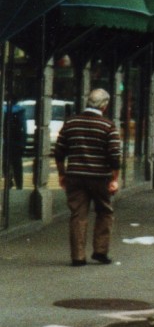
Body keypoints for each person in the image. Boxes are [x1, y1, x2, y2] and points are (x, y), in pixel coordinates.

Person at [53, 89, 121, 266]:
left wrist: (62, 173)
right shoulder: (108, 126)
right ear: (104, 106)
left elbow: (59, 152)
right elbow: (114, 156)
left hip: (75, 176)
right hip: (100, 178)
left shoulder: (71, 123)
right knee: (104, 212)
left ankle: (78, 256)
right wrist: (114, 179)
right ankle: (100, 251)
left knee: (78, 214)